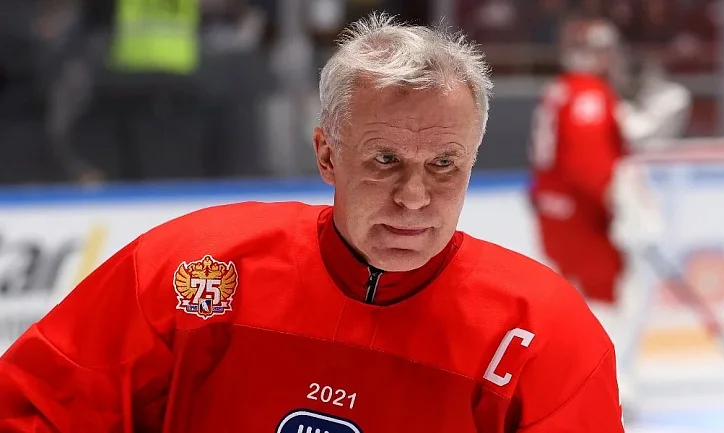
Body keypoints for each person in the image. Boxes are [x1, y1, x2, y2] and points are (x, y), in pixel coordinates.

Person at [0, 13, 623, 432]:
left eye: (443, 164)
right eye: (385, 160)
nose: (414, 197)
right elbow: (32, 410)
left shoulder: (544, 333)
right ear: (327, 154)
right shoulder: (195, 271)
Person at [528, 16, 690, 410]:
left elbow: (596, 144)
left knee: (580, 300)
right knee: (606, 298)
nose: (612, 58)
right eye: (606, 50)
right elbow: (589, 164)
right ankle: (600, 387)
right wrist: (626, 208)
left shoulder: (563, 89)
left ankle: (582, 385)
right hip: (583, 219)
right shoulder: (588, 94)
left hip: (558, 215)